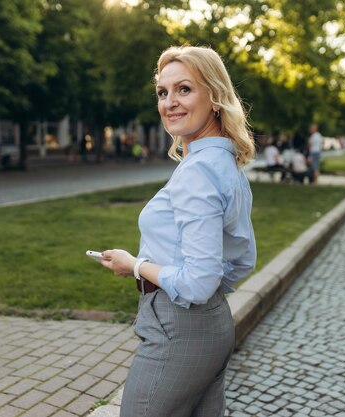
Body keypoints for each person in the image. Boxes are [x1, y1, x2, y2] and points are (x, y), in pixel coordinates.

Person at [98, 46, 257, 417]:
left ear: (215, 96)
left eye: (184, 89)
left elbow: (198, 283)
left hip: (177, 329)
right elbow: (242, 259)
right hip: (212, 324)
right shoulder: (223, 161)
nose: (170, 102)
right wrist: (207, 295)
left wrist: (135, 266)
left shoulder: (200, 170)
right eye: (162, 92)